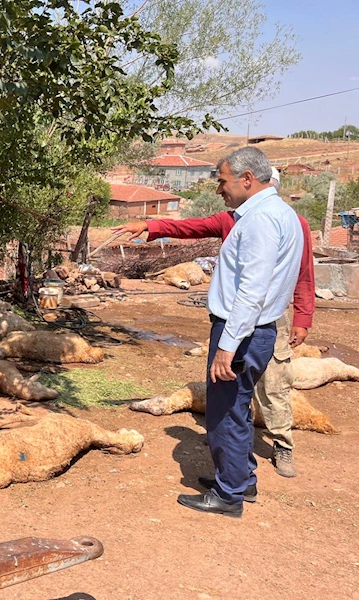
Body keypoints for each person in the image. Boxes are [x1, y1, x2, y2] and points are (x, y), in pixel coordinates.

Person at [130, 147, 303, 517]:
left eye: (222, 181)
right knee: (237, 408)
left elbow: (252, 289)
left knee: (224, 413)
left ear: (247, 179)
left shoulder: (259, 221)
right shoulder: (280, 214)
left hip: (242, 331)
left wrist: (227, 346)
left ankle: (229, 496)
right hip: (256, 330)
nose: (219, 189)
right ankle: (241, 479)